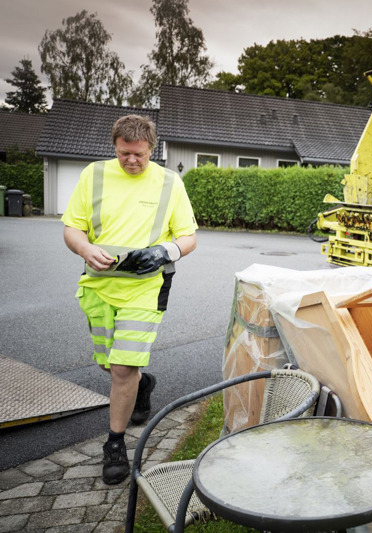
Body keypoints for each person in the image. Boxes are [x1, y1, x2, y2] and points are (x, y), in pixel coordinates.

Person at [62, 114, 198, 485]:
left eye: (139, 155)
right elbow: (72, 228)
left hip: (145, 288)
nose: (132, 161)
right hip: (99, 287)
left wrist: (165, 252)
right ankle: (143, 384)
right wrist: (86, 248)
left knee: (122, 370)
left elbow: (188, 237)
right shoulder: (95, 175)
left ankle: (115, 443)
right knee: (112, 367)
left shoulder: (170, 184)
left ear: (152, 149)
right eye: (124, 154)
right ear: (115, 147)